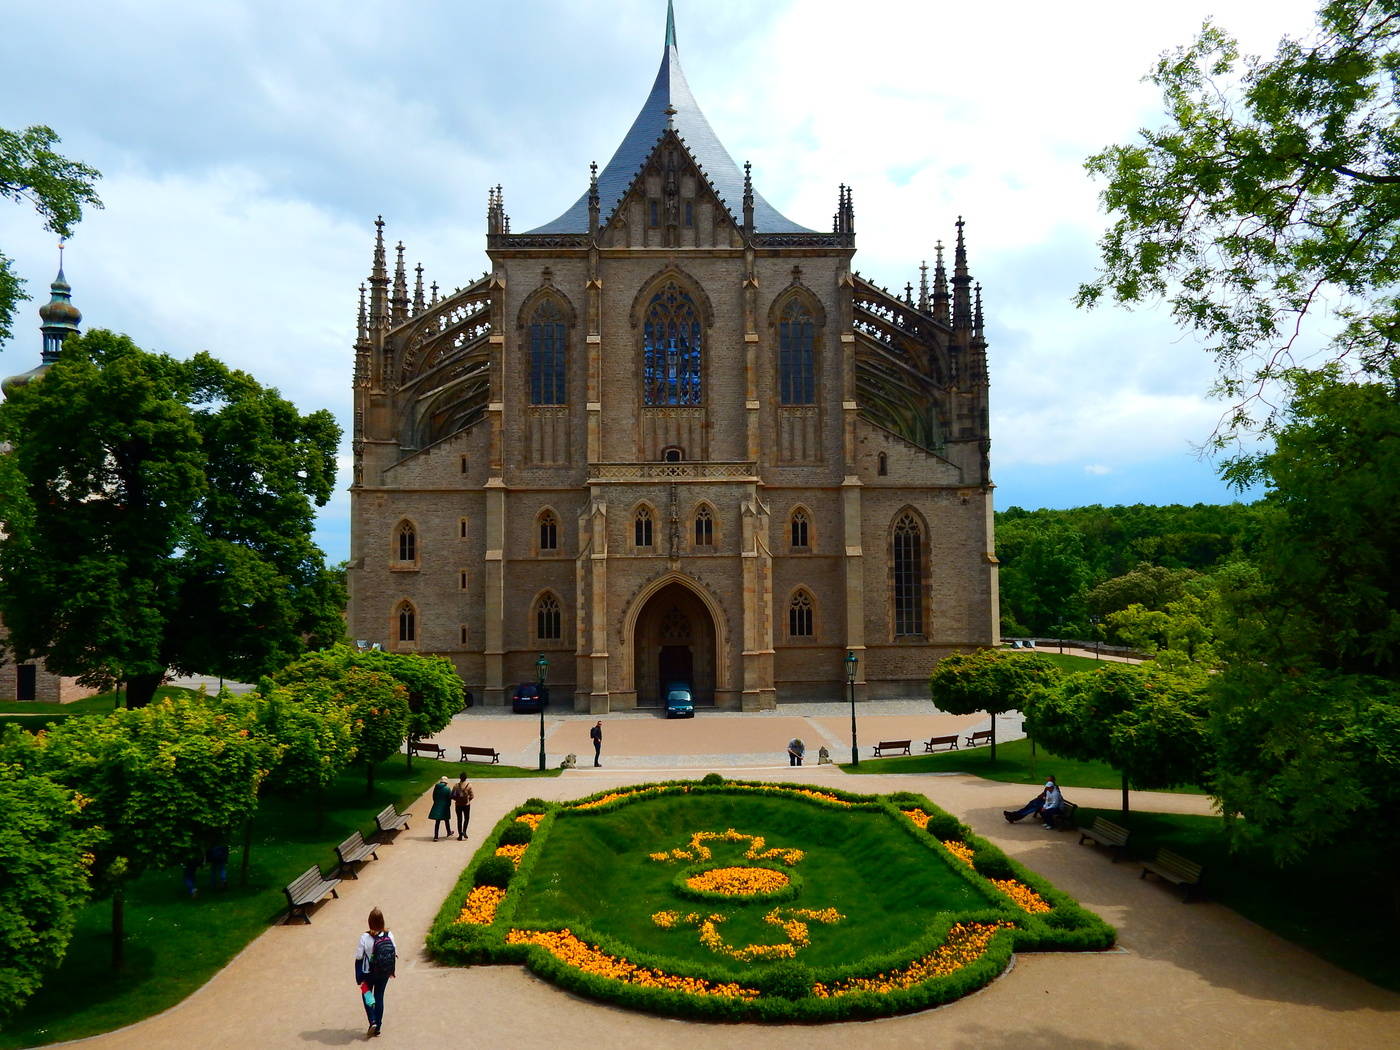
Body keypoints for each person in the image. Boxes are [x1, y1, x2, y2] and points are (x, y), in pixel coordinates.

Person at [354, 907, 397, 1038]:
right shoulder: (389, 935)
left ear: (369, 922)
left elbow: (359, 957)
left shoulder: (365, 937)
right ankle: (378, 1026)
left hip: (368, 973)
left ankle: (372, 1020)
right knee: (379, 996)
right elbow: (394, 951)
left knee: (367, 994)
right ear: (382, 922)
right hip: (384, 972)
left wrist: (358, 976)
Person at [451, 772, 474, 840]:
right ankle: (464, 831)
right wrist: (468, 800)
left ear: (460, 778)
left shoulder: (456, 786)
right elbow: (472, 796)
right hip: (466, 805)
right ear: (466, 778)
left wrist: (456, 800)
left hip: (458, 805)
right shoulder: (469, 785)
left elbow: (452, 795)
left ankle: (460, 835)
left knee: (459, 819)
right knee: (466, 818)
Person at [429, 776, 453, 840]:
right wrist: (449, 805)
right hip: (445, 806)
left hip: (437, 805)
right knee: (446, 819)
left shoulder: (436, 787)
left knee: (437, 821)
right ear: (446, 782)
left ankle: (436, 836)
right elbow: (449, 798)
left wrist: (436, 802)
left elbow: (434, 796)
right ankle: (448, 832)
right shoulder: (447, 789)